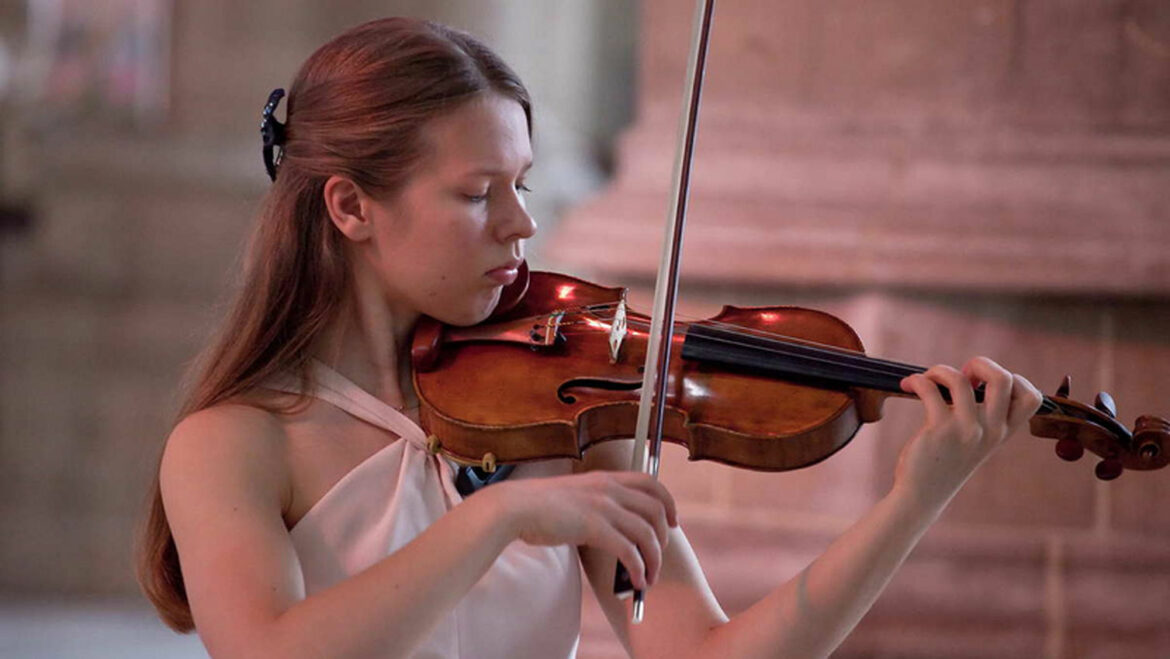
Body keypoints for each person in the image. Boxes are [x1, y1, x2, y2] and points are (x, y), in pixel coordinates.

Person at [136, 16, 1044, 659]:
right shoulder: (232, 443)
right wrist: (496, 517)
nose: (521, 224)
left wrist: (913, 500)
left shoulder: (559, 417)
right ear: (350, 205)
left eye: (524, 183)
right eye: (476, 191)